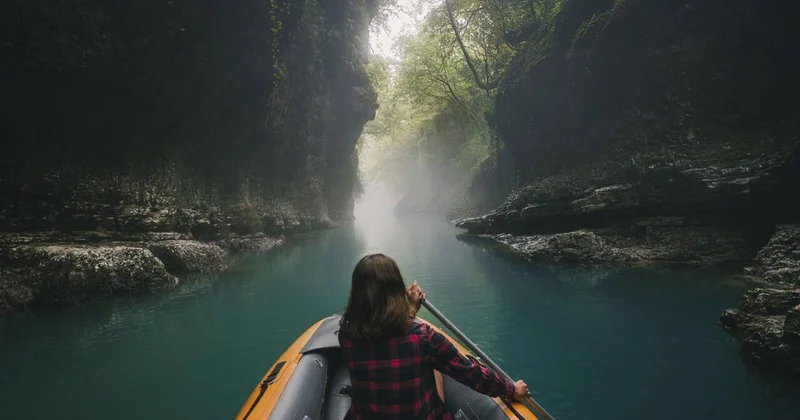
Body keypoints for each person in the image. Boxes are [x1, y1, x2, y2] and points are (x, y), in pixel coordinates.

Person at [339, 253, 530, 419]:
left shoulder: (347, 335)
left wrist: (412, 309)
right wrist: (511, 389)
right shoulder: (423, 338)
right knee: (434, 365)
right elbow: (470, 372)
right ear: (397, 291)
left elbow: (386, 339)